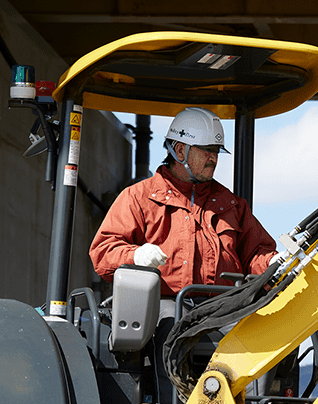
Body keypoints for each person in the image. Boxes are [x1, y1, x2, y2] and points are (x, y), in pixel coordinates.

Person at [89, 107, 277, 296]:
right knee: (169, 320)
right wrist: (135, 256)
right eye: (207, 150)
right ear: (180, 151)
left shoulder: (232, 205)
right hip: (160, 306)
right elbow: (103, 252)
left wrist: (272, 263)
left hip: (223, 308)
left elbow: (256, 254)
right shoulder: (138, 197)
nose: (214, 158)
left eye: (216, 151)